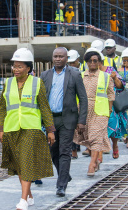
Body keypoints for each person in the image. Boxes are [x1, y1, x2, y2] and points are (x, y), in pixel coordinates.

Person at [0, 48, 55, 210]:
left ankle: (23, 200)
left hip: (31, 128)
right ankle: (28, 194)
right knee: (18, 164)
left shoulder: (37, 83)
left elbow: (44, 107)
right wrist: (1, 129)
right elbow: (2, 108)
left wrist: (50, 130)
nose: (15, 69)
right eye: (14, 66)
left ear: (28, 68)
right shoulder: (8, 84)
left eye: (19, 66)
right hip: (11, 128)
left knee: (27, 161)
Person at [41, 47, 87, 197]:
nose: (58, 59)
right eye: (55, 56)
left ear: (67, 58)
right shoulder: (45, 75)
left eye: (61, 56)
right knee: (53, 151)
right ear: (52, 58)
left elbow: (83, 98)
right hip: (50, 119)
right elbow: (41, 99)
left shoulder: (74, 74)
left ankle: (61, 185)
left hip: (68, 118)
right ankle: (65, 174)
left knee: (64, 151)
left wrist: (82, 121)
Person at [73, 48, 115, 176]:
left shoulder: (105, 76)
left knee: (96, 137)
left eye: (95, 61)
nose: (92, 63)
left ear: (99, 62)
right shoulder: (80, 76)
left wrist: (108, 110)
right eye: (90, 61)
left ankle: (92, 164)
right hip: (84, 111)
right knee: (88, 137)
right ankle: (96, 159)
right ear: (86, 62)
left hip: (100, 111)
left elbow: (111, 94)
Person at [99, 51, 126, 159]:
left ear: (100, 61)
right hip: (97, 104)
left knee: (113, 126)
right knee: (98, 129)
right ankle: (98, 155)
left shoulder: (110, 70)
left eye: (96, 61)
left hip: (111, 103)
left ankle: (114, 145)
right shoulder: (90, 72)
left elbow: (120, 86)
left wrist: (115, 78)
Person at [67, 49, 82, 158]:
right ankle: (74, 150)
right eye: (70, 63)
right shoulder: (66, 71)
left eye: (74, 62)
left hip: (83, 103)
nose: (72, 64)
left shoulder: (84, 70)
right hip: (71, 104)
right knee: (72, 128)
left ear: (78, 60)